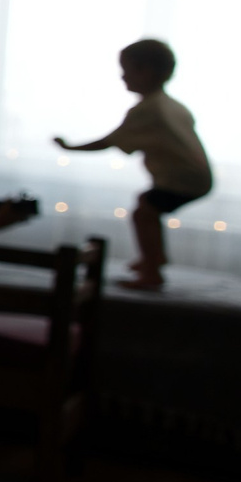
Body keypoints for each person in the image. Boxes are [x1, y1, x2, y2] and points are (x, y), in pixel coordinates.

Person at [55, 37, 212, 291]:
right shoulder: (173, 106)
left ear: (146, 71)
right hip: (196, 178)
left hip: (184, 180)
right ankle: (155, 258)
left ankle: (152, 272)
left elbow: (108, 141)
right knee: (146, 206)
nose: (122, 77)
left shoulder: (148, 110)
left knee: (144, 212)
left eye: (126, 70)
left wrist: (70, 147)